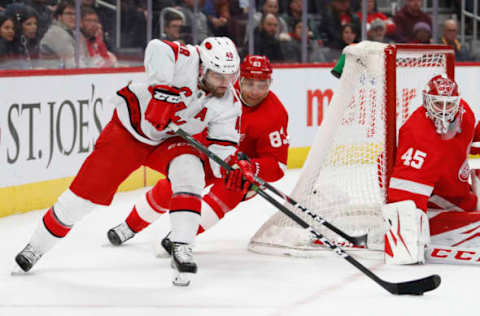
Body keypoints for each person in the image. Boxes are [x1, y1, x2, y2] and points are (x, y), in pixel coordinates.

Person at [14, 36, 241, 287]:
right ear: (202, 68)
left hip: (169, 140)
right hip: (129, 131)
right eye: (219, 76)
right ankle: (35, 247)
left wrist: (234, 167)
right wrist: (162, 91)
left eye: (231, 76)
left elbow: (223, 147)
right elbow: (157, 47)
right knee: (83, 197)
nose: (226, 83)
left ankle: (183, 246)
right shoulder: (187, 58)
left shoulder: (229, 103)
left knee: (191, 173)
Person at [106, 55, 289, 256]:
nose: (255, 91)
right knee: (175, 185)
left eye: (262, 85)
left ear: (270, 83)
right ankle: (129, 226)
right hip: (209, 152)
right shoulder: (220, 91)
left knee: (229, 192)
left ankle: (180, 237)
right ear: (240, 80)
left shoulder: (275, 113)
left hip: (240, 172)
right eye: (250, 83)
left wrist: (251, 167)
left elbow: (278, 166)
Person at [382, 74, 480, 265]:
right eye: (437, 104)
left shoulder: (465, 113)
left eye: (449, 104)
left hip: (461, 194)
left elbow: (471, 139)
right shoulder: (418, 133)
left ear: (457, 103)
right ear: (426, 101)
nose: (444, 111)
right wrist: (406, 234)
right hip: (437, 201)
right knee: (408, 205)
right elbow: (405, 193)